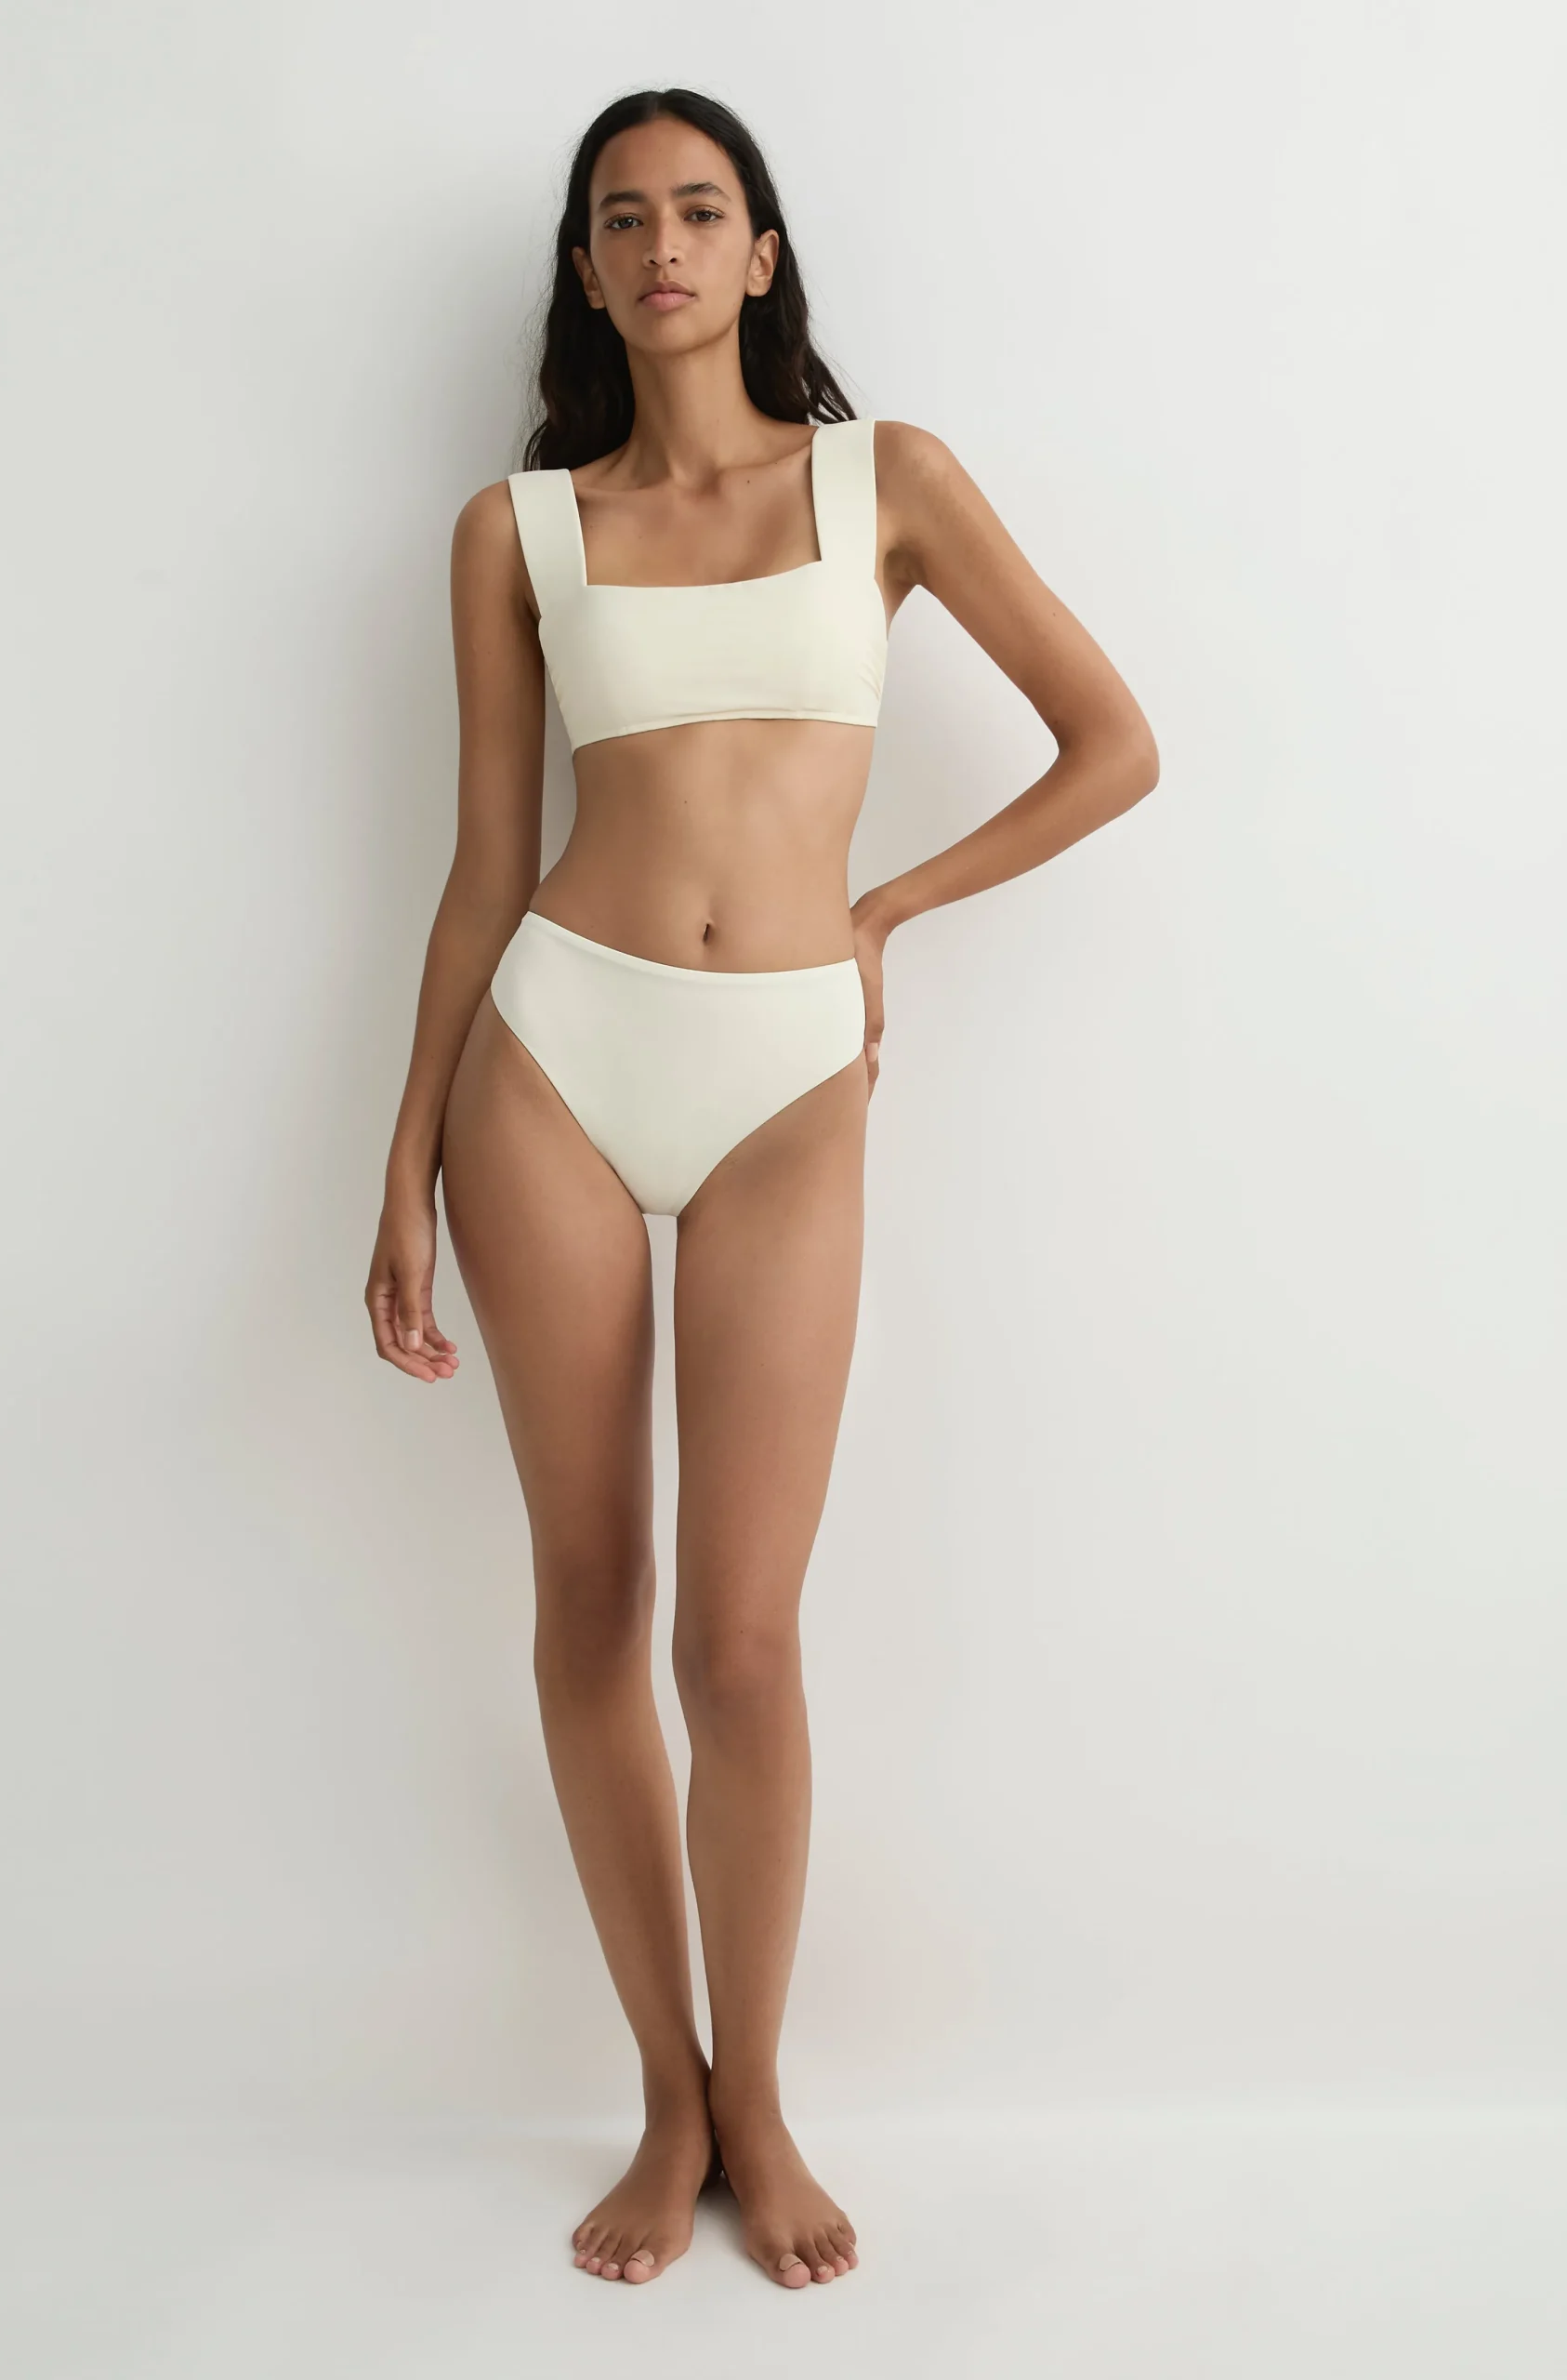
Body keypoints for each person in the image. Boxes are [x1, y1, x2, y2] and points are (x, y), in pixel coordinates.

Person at [365, 86, 1158, 2292]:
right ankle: (666, 2090)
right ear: (587, 269)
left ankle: (769, 2092)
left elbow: (1112, 743)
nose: (662, 246)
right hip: (551, 1057)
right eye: (622, 218)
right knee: (589, 1594)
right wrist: (401, 1160)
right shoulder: (516, 530)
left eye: (700, 209)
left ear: (761, 251)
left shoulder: (887, 481)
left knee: (738, 1631)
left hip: (790, 1074)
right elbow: (480, 870)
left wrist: (881, 907)